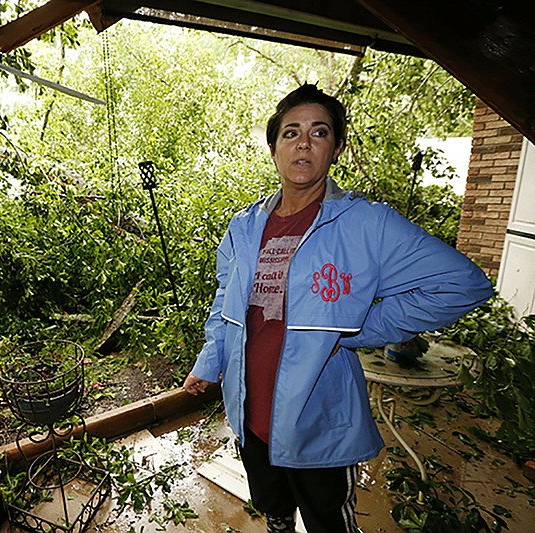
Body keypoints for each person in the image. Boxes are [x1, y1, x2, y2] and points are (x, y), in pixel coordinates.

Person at [183, 83, 493, 533]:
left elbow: (462, 285)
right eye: (290, 133)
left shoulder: (367, 224)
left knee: (329, 520)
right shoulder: (244, 226)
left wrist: (357, 329)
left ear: (336, 148)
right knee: (272, 506)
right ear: (274, 149)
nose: (303, 143)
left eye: (319, 132)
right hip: (250, 404)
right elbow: (225, 304)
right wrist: (208, 363)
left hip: (319, 413)